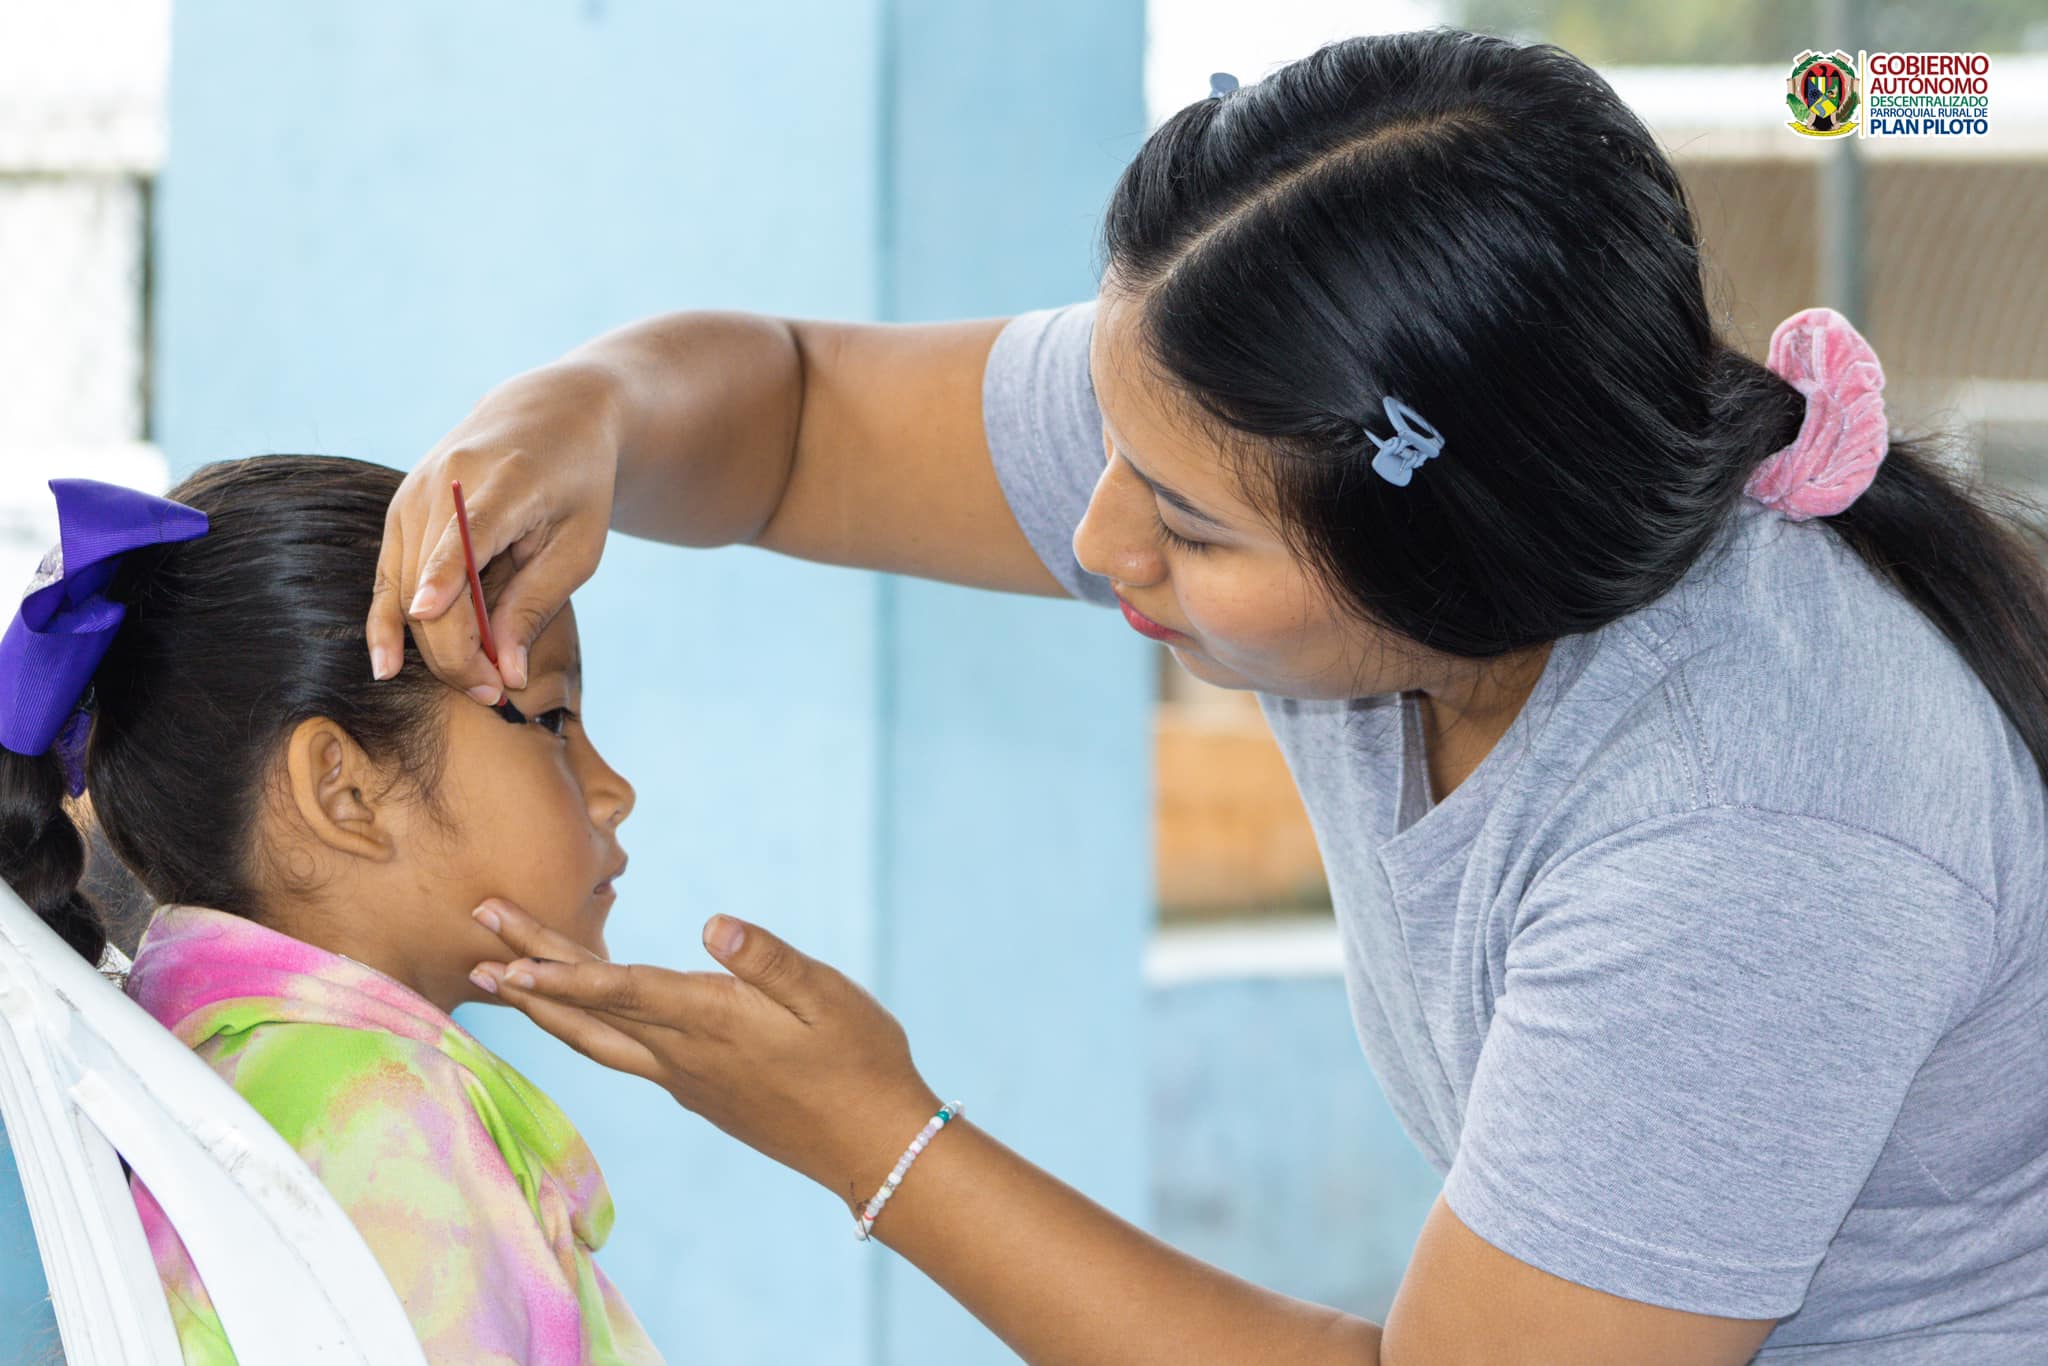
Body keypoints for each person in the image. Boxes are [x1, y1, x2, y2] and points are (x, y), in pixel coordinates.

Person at [374, 28, 2048, 1365]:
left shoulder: (1747, 838)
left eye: (1184, 526)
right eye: (1113, 451)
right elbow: (802, 417)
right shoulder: (1250, 414)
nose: (1101, 538)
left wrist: (870, 1134)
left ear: (1449, 560)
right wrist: (585, 411)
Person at [0, 459, 662, 1365]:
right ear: (343, 792)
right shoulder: (380, 1125)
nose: (615, 791)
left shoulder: (229, 1078)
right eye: (550, 720)